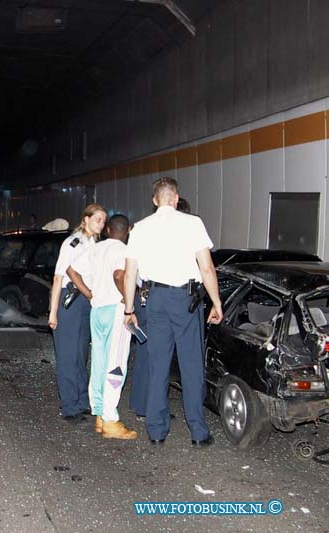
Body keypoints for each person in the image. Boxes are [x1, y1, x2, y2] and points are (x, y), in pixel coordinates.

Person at [123, 177, 223, 446]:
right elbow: (207, 268)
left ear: (155, 200)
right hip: (184, 298)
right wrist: (216, 302)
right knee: (191, 365)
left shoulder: (141, 228)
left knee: (158, 365)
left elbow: (130, 272)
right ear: (176, 198)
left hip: (154, 298)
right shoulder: (192, 224)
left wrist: (129, 309)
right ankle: (198, 432)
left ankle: (156, 431)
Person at [68, 214, 137, 439]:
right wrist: (128, 304)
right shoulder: (124, 250)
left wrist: (88, 293)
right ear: (128, 231)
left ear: (107, 229)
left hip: (96, 310)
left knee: (98, 361)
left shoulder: (95, 248)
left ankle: (98, 413)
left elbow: (72, 270)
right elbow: (119, 275)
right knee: (116, 364)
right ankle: (110, 419)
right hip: (116, 310)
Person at [130, 194, 191, 418]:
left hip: (146, 297)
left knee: (149, 355)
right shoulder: (171, 240)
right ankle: (150, 408)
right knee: (155, 357)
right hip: (153, 298)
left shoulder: (148, 232)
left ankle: (143, 404)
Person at [48, 204, 107, 422]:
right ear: (86, 219)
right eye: (98, 219)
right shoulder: (73, 243)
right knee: (67, 356)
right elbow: (58, 278)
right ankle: (69, 406)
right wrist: (53, 312)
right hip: (69, 301)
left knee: (81, 355)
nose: (101, 224)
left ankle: (82, 401)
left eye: (103, 220)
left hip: (87, 302)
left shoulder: (95, 243)